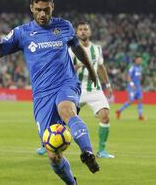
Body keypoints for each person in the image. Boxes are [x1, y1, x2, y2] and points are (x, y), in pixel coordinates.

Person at [0, 0, 99, 185]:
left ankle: (87, 151)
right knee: (52, 154)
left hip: (66, 84)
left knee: (67, 111)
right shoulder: (22, 33)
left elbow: (77, 48)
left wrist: (91, 69)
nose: (42, 14)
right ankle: (72, 183)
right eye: (39, 9)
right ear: (31, 8)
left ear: (52, 7)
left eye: (46, 10)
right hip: (42, 95)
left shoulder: (64, 26)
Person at [37, 21, 115, 159]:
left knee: (105, 115)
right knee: (61, 117)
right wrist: (78, 66)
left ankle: (102, 150)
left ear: (90, 32)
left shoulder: (97, 49)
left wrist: (107, 84)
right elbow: (63, 70)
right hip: (75, 88)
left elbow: (101, 67)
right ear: (77, 33)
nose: (83, 31)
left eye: (86, 29)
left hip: (94, 90)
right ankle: (48, 144)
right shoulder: (70, 50)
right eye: (80, 29)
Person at [116, 55, 145, 121]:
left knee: (140, 100)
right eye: (139, 60)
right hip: (132, 88)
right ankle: (119, 111)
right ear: (136, 60)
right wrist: (132, 84)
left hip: (138, 87)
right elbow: (128, 77)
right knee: (131, 101)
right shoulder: (132, 68)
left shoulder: (140, 68)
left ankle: (140, 116)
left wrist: (140, 83)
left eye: (141, 60)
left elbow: (139, 77)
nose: (140, 61)